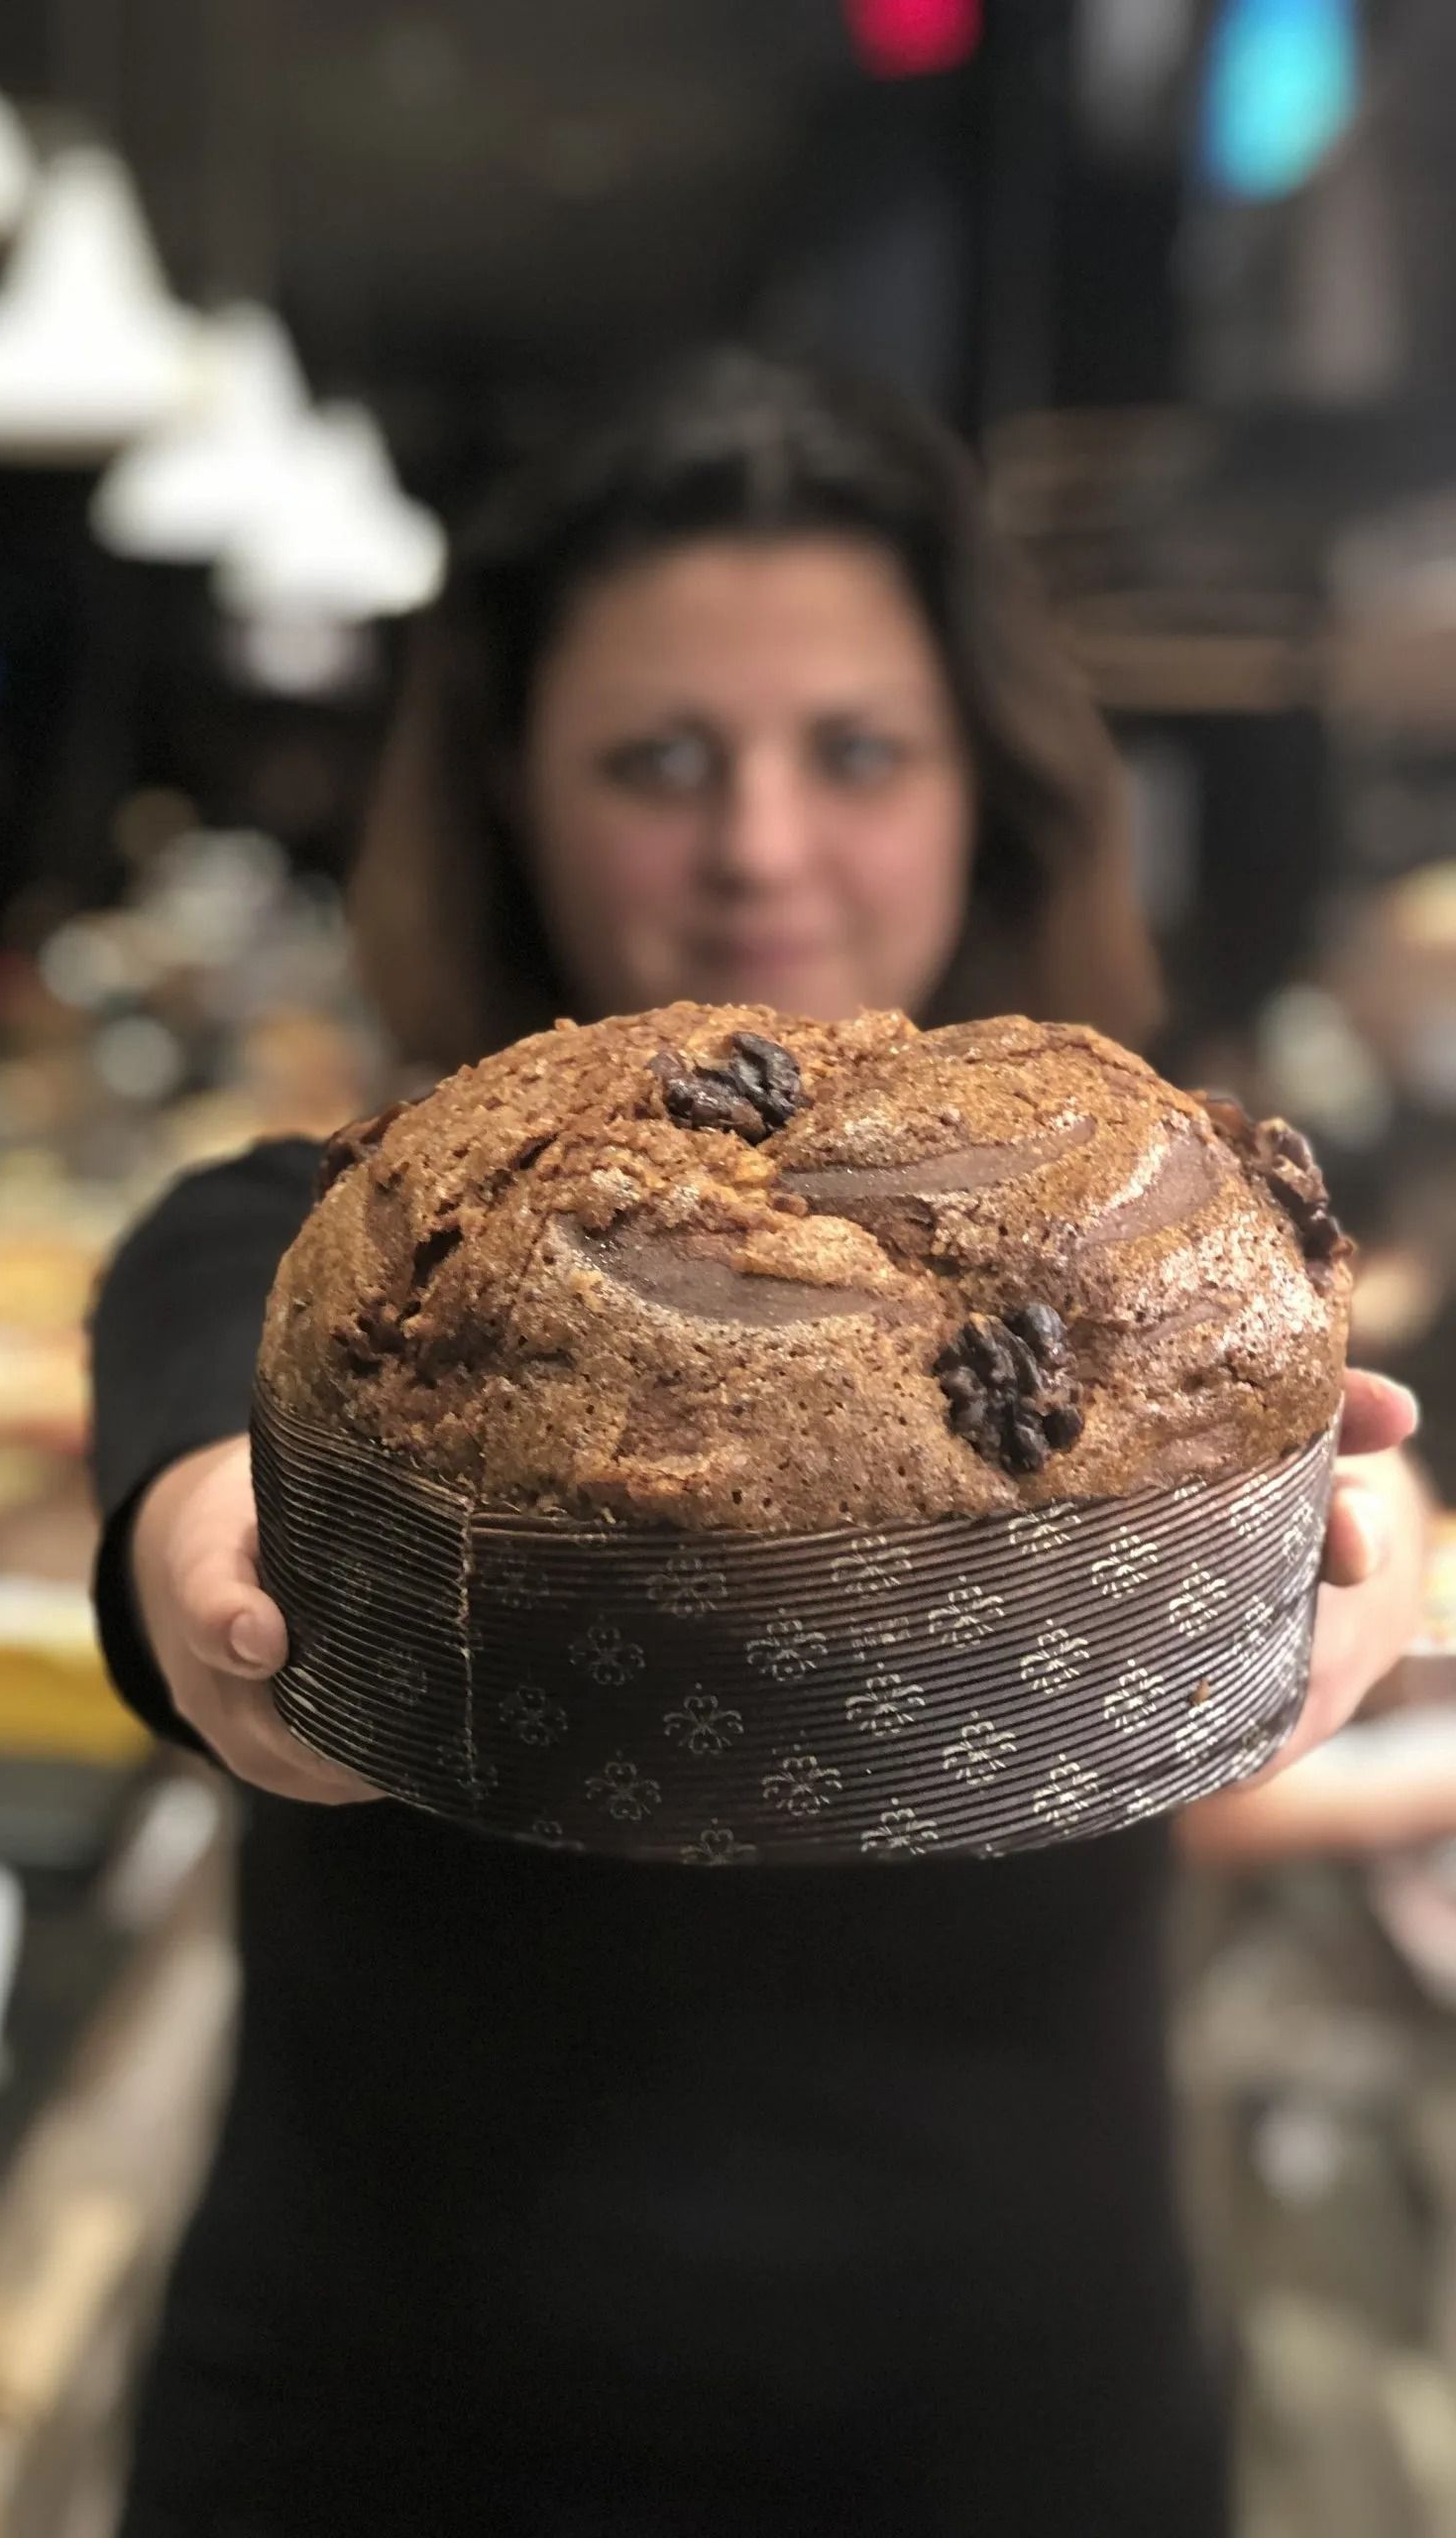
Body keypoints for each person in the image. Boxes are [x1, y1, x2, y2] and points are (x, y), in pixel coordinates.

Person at [90, 352, 1424, 2537]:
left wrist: (1348, 1546)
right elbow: (190, 1420)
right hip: (393, 2422)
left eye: (858, 750)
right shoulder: (337, 1226)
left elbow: (1350, 1450)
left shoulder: (1157, 1214)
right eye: (658, 758)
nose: (760, 848)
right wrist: (219, 1581)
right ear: (509, 788)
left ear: (984, 780)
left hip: (1022, 2414)